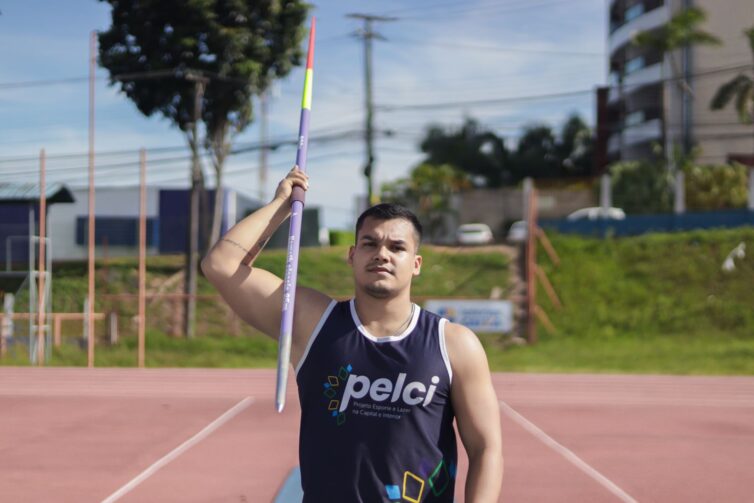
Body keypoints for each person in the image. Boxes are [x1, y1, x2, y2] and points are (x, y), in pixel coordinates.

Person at [202, 168, 503, 502]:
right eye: (370, 243)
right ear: (352, 255)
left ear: (416, 263)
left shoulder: (454, 344)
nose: (382, 254)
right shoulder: (315, 322)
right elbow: (222, 265)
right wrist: (282, 205)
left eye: (397, 247)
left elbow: (486, 448)